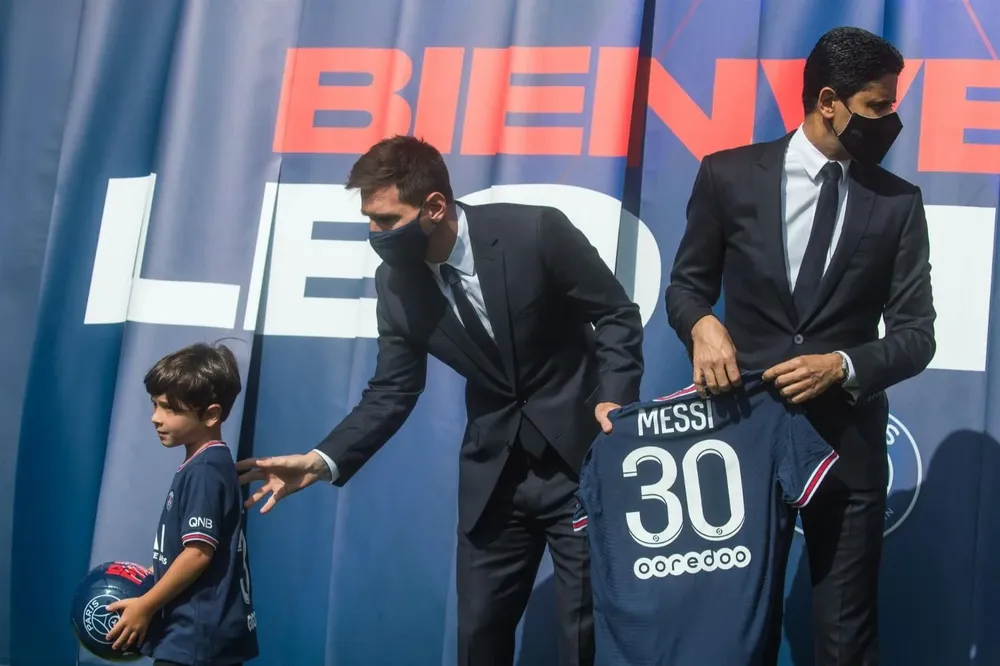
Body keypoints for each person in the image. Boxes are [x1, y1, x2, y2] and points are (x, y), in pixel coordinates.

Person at [236, 135, 644, 665]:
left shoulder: (535, 231)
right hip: (495, 480)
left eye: (386, 220)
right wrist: (321, 460)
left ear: (434, 207)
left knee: (583, 636)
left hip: (581, 465)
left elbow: (615, 315)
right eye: (370, 220)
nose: (374, 234)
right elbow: (393, 389)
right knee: (477, 638)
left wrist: (614, 401)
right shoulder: (396, 285)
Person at [665, 26, 935, 666]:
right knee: (737, 631)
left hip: (848, 449)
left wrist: (843, 365)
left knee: (846, 640)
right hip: (741, 442)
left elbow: (917, 335)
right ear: (827, 100)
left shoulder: (898, 204)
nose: (890, 121)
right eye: (877, 106)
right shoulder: (728, 177)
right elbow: (685, 287)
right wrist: (702, 324)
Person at [106, 342, 258, 666]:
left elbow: (198, 553)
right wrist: (160, 571)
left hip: (195, 640)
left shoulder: (205, 470)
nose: (155, 418)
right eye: (154, 405)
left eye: (169, 408)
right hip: (198, 638)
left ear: (211, 414)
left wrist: (145, 605)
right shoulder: (207, 465)